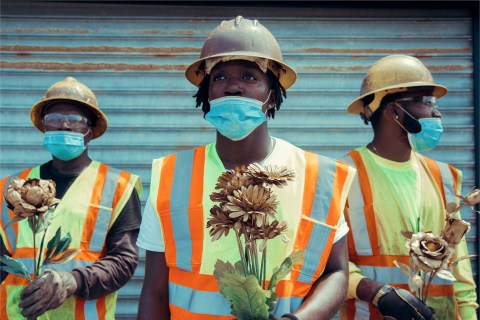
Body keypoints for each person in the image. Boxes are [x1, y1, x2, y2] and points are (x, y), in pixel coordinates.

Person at [136, 16, 356, 320]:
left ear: (272, 94)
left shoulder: (320, 177)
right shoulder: (172, 177)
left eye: (250, 77)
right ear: (207, 94)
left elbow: (336, 273)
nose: (233, 87)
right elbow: (154, 292)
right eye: (220, 77)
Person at [338, 55, 478, 320]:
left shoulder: (444, 176)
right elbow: (324, 262)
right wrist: (372, 290)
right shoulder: (343, 174)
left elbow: (460, 270)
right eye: (427, 102)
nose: (437, 113)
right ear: (394, 111)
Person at [0, 77, 143, 319]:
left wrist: (72, 281)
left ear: (90, 131)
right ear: (44, 127)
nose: (64, 126)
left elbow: (123, 262)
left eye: (76, 120)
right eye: (54, 119)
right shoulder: (12, 187)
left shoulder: (118, 186)